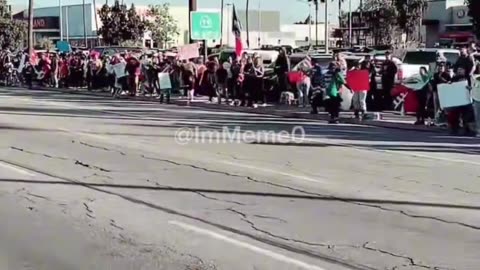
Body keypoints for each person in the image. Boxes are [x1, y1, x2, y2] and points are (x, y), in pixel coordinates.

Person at [447, 67, 476, 135]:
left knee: (467, 116)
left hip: (466, 99)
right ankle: (454, 129)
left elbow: (473, 86)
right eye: (458, 70)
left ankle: (468, 130)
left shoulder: (468, 78)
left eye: (461, 70)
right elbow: (450, 87)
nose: (460, 71)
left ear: (464, 71)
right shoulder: (454, 78)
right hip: (456, 99)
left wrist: (470, 88)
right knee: (454, 115)